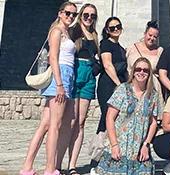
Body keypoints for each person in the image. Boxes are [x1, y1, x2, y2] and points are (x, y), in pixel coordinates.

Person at [20, 2, 77, 175]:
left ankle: (27, 167)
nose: (71, 16)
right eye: (68, 13)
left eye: (74, 14)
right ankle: (50, 169)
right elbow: (53, 57)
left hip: (65, 76)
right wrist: (60, 85)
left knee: (45, 124)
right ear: (60, 13)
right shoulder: (57, 31)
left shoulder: (66, 31)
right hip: (60, 77)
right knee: (55, 125)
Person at [94, 57, 159, 174]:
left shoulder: (153, 95)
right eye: (138, 69)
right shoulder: (123, 89)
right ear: (133, 71)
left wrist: (146, 145)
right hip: (120, 147)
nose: (141, 72)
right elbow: (109, 118)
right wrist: (114, 145)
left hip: (139, 149)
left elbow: (153, 122)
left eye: (145, 70)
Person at [62, 4, 98, 174]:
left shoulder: (95, 35)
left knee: (81, 122)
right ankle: (58, 162)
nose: (89, 18)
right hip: (75, 73)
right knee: (71, 121)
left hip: (89, 77)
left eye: (92, 16)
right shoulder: (73, 30)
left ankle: (72, 165)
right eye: (86, 15)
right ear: (80, 15)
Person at [95, 16, 128, 135]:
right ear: (107, 30)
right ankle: (99, 143)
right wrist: (119, 85)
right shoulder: (105, 43)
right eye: (112, 27)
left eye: (118, 26)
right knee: (107, 114)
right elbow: (107, 65)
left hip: (120, 83)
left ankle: (107, 144)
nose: (116, 29)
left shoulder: (121, 48)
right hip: (108, 84)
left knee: (114, 117)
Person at [126, 20, 164, 117]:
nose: (152, 38)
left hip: (152, 87)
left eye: (155, 37)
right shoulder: (132, 48)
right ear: (145, 33)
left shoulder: (160, 51)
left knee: (148, 116)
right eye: (150, 35)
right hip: (132, 86)